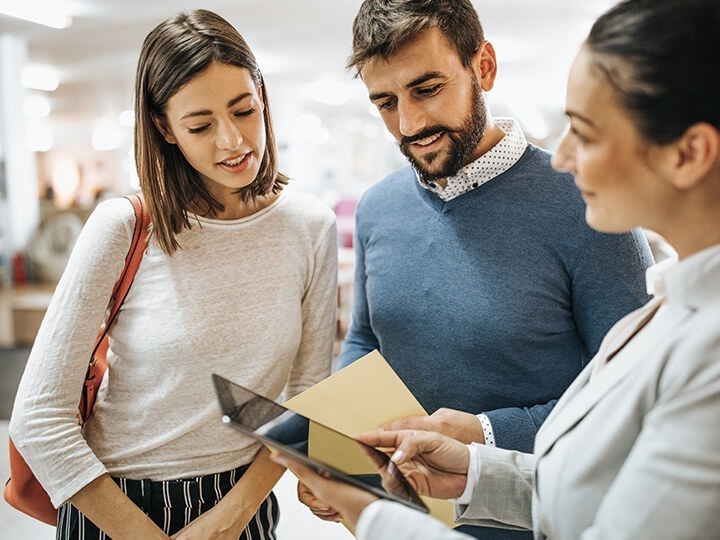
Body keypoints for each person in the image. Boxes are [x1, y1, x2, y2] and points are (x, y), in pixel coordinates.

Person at [276, 0, 720, 538]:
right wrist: (340, 451)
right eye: (386, 102)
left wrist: (487, 433)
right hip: (436, 495)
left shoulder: (591, 209)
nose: (409, 123)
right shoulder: (378, 207)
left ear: (482, 67)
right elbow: (367, 338)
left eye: (428, 89)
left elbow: (619, 413)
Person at [8, 9, 338, 540]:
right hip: (115, 504)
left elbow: (305, 393)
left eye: (244, 110)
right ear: (165, 129)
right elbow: (38, 421)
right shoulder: (124, 226)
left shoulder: (309, 227)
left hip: (242, 505)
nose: (232, 141)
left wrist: (232, 517)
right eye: (201, 126)